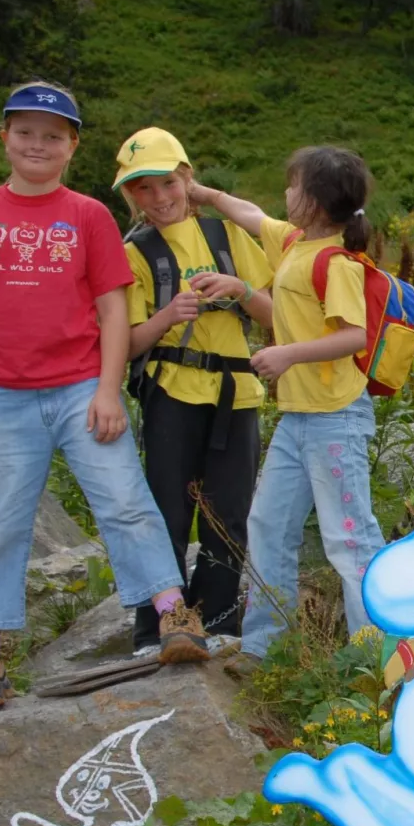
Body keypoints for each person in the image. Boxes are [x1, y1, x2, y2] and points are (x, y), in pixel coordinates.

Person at [0, 82, 208, 718]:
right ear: (4, 136)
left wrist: (108, 389)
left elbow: (113, 307)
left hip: (82, 387)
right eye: (24, 132)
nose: (37, 144)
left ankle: (172, 615)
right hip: (2, 396)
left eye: (53, 136)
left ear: (72, 147)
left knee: (127, 503)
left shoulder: (86, 215)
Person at [188, 147, 386, 669]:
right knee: (268, 525)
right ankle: (264, 647)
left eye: (293, 186)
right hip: (301, 418)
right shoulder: (297, 241)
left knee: (350, 539)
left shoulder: (336, 261)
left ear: (317, 202)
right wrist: (202, 194)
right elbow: (252, 215)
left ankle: (375, 659)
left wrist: (286, 354)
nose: (285, 194)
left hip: (337, 416)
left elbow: (353, 336)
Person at [116, 128, 274, 654]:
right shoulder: (134, 252)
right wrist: (168, 315)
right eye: (144, 189)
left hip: (236, 391)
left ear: (187, 179)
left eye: (168, 183)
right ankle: (155, 626)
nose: (160, 198)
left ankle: (221, 623)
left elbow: (281, 316)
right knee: (166, 510)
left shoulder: (226, 237)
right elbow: (124, 343)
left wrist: (242, 290)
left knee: (227, 511)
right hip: (170, 390)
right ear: (130, 196)